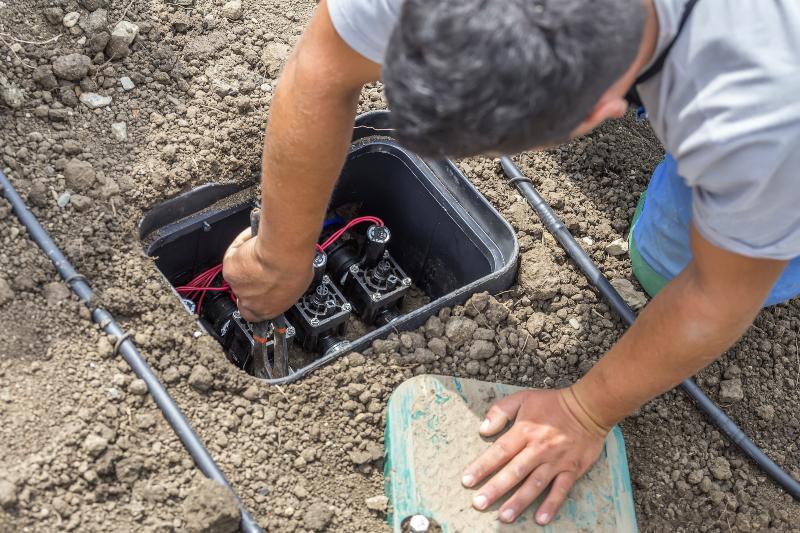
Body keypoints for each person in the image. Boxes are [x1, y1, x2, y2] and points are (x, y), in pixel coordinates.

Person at [223, 0, 800, 525]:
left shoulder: (760, 115)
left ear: (600, 114)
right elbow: (324, 65)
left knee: (671, 266)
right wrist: (280, 253)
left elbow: (715, 294)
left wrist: (585, 412)